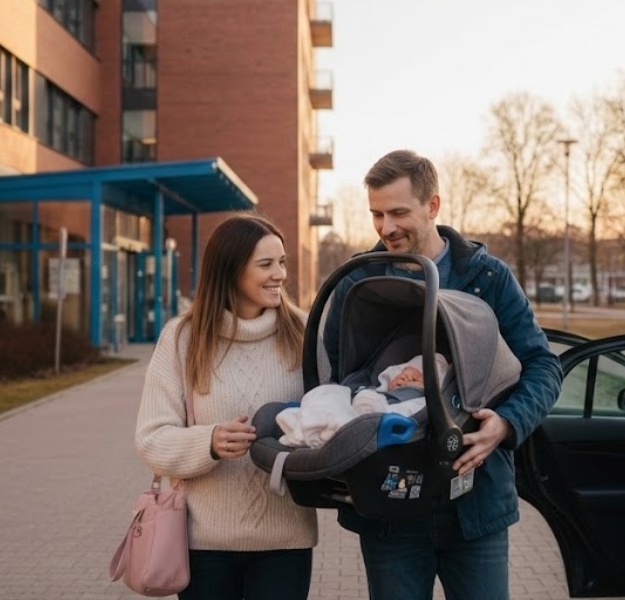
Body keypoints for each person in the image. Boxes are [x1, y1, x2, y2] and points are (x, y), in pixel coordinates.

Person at [322, 149, 562, 600]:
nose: (386, 227)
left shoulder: (487, 278)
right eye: (376, 214)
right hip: (388, 505)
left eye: (398, 212)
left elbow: (544, 365)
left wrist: (506, 424)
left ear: (432, 206)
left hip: (475, 505)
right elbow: (338, 381)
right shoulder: (356, 283)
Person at [135, 215, 317, 600]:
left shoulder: (305, 332)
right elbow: (151, 440)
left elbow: (335, 415)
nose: (280, 274)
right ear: (230, 270)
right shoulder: (183, 338)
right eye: (266, 264)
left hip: (286, 542)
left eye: (282, 262)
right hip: (203, 545)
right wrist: (210, 442)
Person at [275, 354, 451, 447]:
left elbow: (407, 415)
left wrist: (376, 408)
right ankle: (306, 413)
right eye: (403, 375)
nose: (405, 380)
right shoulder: (377, 390)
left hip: (379, 422)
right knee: (334, 391)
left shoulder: (421, 403)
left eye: (415, 380)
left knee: (364, 401)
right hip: (355, 409)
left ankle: (320, 425)